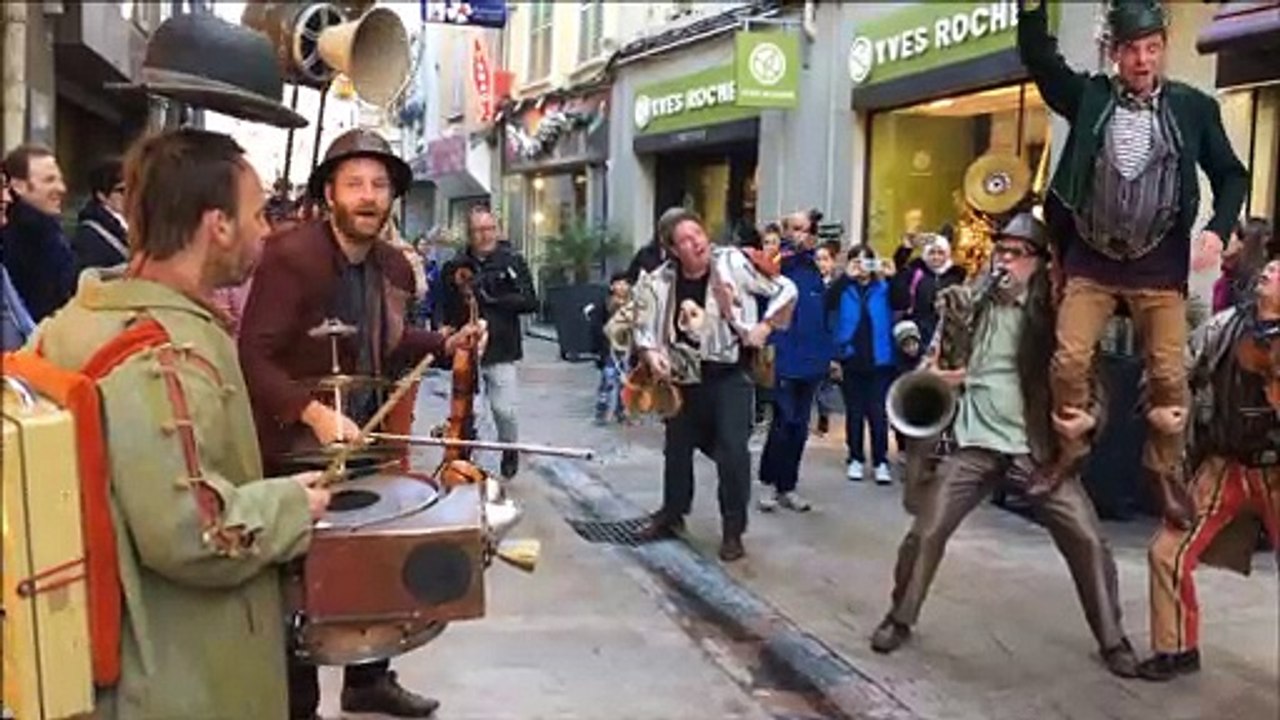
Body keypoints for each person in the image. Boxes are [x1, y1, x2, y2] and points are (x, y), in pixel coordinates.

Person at [26, 128, 329, 718]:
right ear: (219, 225)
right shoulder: (162, 354)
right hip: (173, 684)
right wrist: (293, 505)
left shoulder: (75, 321)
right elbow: (197, 533)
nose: (267, 231)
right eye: (257, 215)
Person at [239, 128, 478, 719]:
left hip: (366, 434)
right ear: (330, 193)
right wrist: (314, 412)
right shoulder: (290, 257)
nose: (368, 196)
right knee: (300, 579)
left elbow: (389, 341)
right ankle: (298, 706)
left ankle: (368, 680)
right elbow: (252, 355)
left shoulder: (391, 264)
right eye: (354, 184)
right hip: (293, 446)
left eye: (379, 185)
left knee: (373, 557)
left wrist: (445, 343)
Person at [868, 213, 1141, 679]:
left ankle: (1112, 639)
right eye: (1001, 251)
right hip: (973, 441)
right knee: (926, 531)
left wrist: (1089, 420)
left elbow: (1092, 379)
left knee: (1087, 538)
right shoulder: (970, 302)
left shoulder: (1056, 313)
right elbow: (934, 359)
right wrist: (937, 371)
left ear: (1039, 262)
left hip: (1034, 448)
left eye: (1016, 254)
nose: (1004, 261)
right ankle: (899, 617)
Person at [1017, 0, 1249, 520]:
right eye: (1131, 50)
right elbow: (1039, 57)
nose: (1143, 60)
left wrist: (1217, 229)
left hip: (1157, 266)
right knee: (1069, 361)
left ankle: (1160, 470)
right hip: (1092, 260)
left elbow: (1232, 174)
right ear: (1113, 53)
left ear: (1163, 49)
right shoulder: (1089, 97)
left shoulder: (1193, 107)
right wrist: (1032, 8)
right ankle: (1070, 449)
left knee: (1170, 376)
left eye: (1152, 48)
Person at [1140, 255, 1280, 681]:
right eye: (1270, 266)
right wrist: (1164, 401)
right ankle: (1176, 648)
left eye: (1279, 271)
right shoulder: (1225, 325)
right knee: (1167, 552)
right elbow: (1178, 366)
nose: (1269, 271)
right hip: (1226, 462)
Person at [632, 208, 797, 561]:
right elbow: (643, 327)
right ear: (672, 249)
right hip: (682, 377)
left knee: (733, 453)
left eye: (698, 233)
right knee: (676, 449)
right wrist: (651, 354)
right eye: (686, 240)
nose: (697, 243)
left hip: (729, 374)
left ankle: (733, 530)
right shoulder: (659, 280)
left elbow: (786, 288)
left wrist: (765, 326)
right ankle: (673, 513)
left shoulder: (733, 263)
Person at [438, 205, 538, 479]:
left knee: (504, 410)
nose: (485, 235)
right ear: (469, 234)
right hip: (465, 347)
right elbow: (444, 304)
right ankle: (467, 462)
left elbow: (531, 302)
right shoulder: (455, 266)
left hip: (501, 346)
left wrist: (493, 298)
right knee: (468, 410)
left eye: (489, 229)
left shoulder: (512, 261)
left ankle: (509, 447)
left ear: (497, 230)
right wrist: (445, 328)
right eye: (478, 230)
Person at [758, 211, 831, 513]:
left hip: (812, 357)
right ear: (786, 231)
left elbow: (825, 312)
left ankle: (788, 486)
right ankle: (769, 483)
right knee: (782, 422)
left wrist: (828, 355)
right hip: (785, 355)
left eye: (806, 229)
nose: (802, 234)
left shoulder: (816, 267)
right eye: (796, 229)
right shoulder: (778, 265)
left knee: (800, 426)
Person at [828, 245, 897, 484]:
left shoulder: (883, 287)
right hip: (851, 357)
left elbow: (902, 301)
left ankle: (880, 461)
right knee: (854, 412)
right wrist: (845, 277)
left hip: (880, 358)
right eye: (857, 261)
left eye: (867, 261)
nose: (862, 267)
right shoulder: (844, 288)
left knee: (878, 413)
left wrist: (893, 276)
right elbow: (827, 304)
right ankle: (855, 457)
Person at [1, 143, 75, 322]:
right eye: (49, 180)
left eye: (60, 180)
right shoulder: (23, 240)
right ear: (18, 186)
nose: (61, 188)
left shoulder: (47, 231)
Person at [891, 233, 967, 346]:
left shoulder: (956, 275)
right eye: (932, 252)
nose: (936, 257)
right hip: (918, 329)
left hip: (946, 332)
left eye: (940, 253)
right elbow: (899, 268)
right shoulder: (916, 270)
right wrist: (906, 248)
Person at [71, 157, 129, 275]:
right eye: (122, 190)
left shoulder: (143, 223)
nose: (131, 195)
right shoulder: (90, 235)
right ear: (101, 195)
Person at [1213, 218, 1273, 313]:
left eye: (1227, 236)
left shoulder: (1255, 281)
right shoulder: (1226, 278)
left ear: (1242, 243)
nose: (1219, 241)